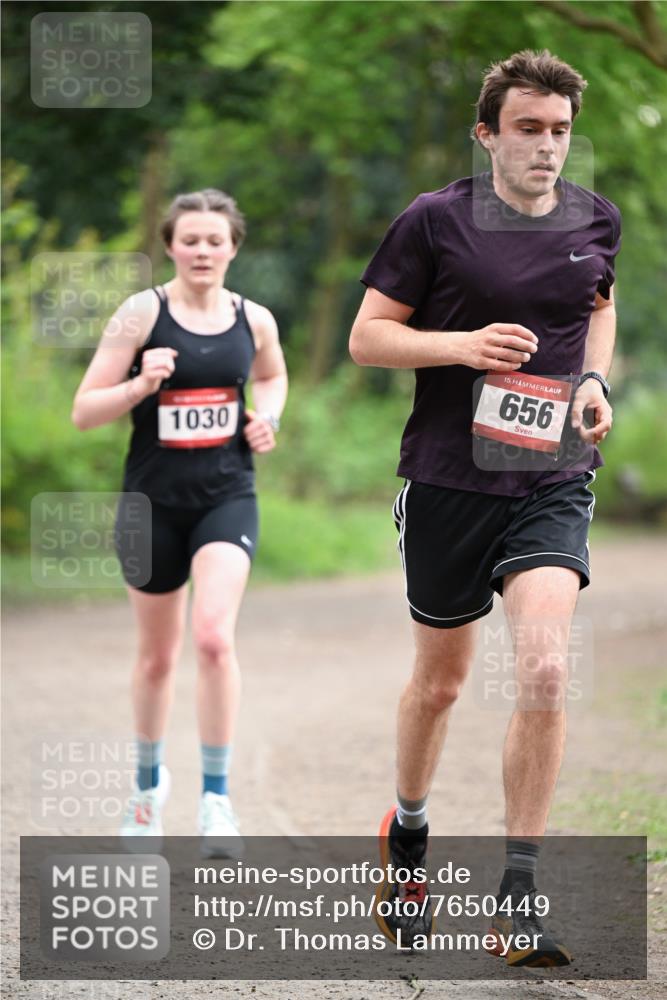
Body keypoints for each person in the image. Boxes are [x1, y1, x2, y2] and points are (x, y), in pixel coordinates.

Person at [350, 50, 620, 966]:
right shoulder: (433, 221)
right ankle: (410, 836)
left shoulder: (596, 221)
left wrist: (589, 377)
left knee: (545, 671)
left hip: (551, 476)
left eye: (559, 131)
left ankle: (518, 892)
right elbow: (367, 338)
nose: (547, 148)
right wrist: (462, 345)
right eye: (527, 130)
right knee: (441, 684)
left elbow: (597, 304)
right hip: (446, 481)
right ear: (486, 136)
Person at [72, 188, 288, 857]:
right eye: (189, 239)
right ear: (170, 244)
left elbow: (273, 377)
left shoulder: (253, 319)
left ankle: (217, 801)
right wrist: (139, 385)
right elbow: (84, 410)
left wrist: (268, 417)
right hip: (150, 506)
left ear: (232, 247)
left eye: (214, 240)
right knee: (158, 657)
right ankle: (146, 792)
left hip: (226, 497)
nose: (202, 250)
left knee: (214, 639)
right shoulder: (139, 314)